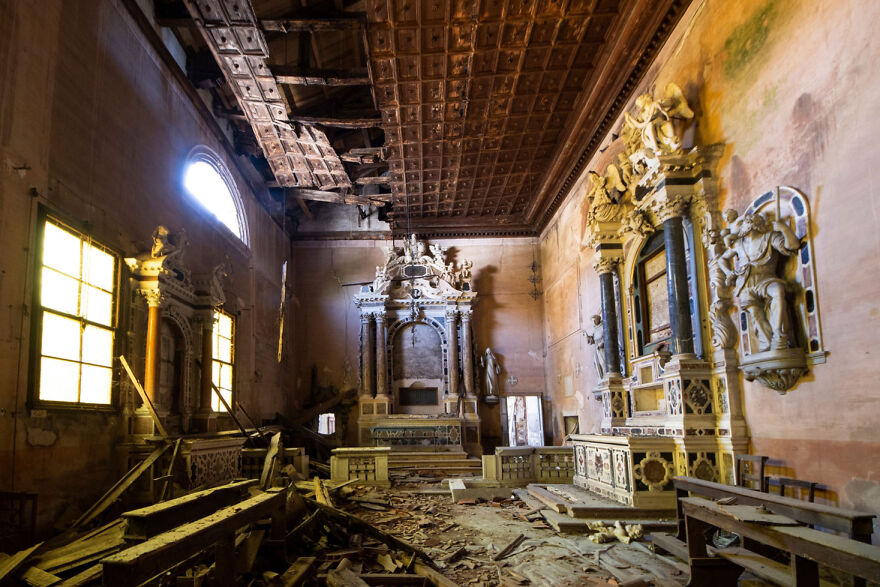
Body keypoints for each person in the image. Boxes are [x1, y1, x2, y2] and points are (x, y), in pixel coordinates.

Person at [719, 212, 800, 351]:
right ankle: (767, 344)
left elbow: (792, 246)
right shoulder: (739, 244)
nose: (743, 227)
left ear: (753, 225)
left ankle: (779, 335)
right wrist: (728, 273)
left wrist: (784, 229)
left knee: (778, 291)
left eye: (746, 223)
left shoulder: (769, 237)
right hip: (746, 283)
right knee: (755, 314)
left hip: (766, 278)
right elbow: (722, 259)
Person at [585, 314, 606, 379]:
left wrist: (601, 344)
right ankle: (601, 378)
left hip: (602, 348)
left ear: (598, 319)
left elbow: (606, 337)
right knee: (596, 363)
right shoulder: (595, 329)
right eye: (592, 321)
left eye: (594, 320)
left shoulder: (603, 327)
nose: (593, 322)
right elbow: (593, 340)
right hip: (596, 349)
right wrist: (587, 336)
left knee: (603, 362)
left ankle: (605, 377)